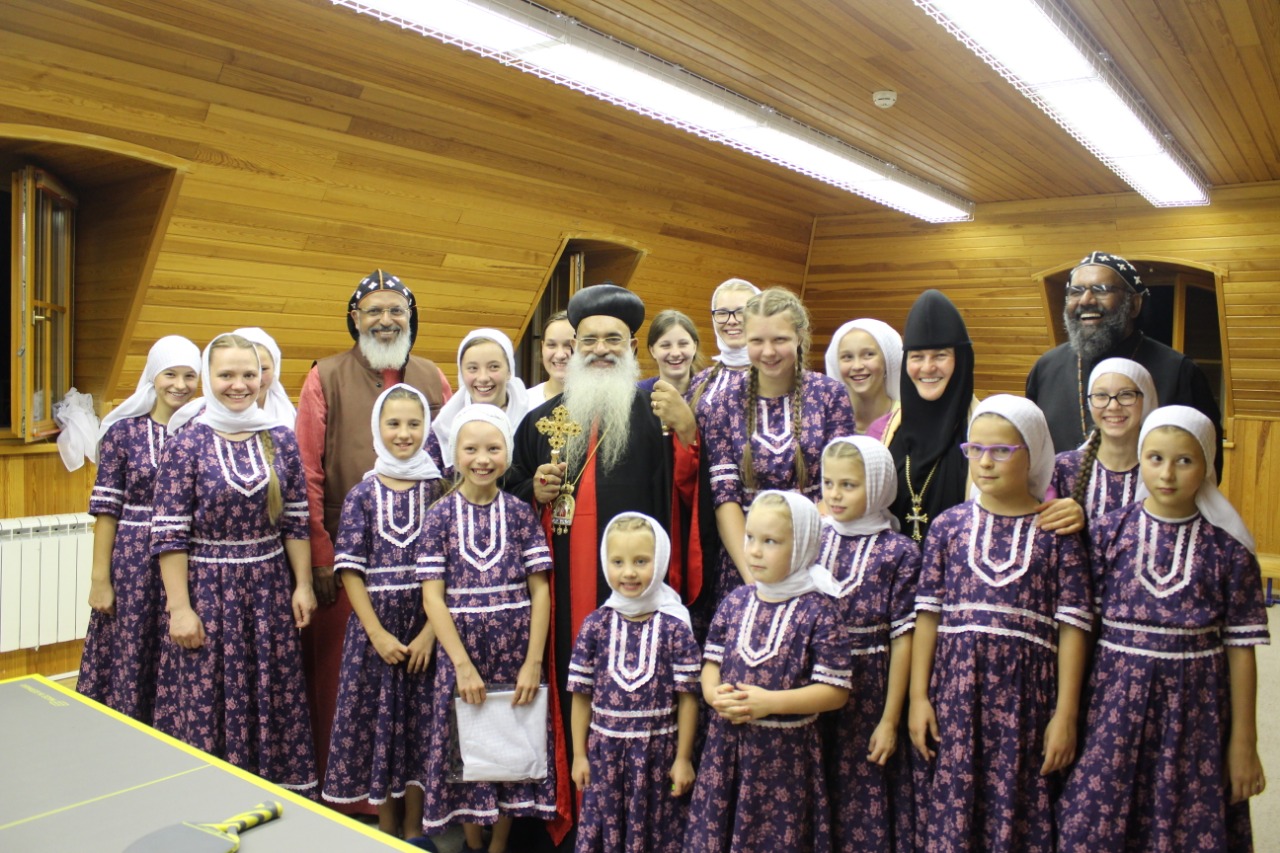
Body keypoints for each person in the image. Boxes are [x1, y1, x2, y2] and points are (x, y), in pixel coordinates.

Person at [509, 283, 700, 847]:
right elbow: (513, 494)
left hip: (636, 598)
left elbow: (691, 496)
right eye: (587, 339)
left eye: (611, 339)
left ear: (631, 345)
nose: (597, 349)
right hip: (565, 597)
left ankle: (638, 818)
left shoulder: (658, 416)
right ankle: (568, 809)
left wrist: (688, 435)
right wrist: (534, 492)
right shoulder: (542, 422)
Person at [1058, 406, 1267, 852]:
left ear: (1207, 464)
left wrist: (1244, 743)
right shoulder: (1108, 534)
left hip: (1196, 715)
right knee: (1091, 821)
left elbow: (1241, 650)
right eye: (1154, 458)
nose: (1167, 473)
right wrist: (1067, 713)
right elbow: (1082, 630)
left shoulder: (1229, 552)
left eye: (1184, 460)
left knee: (1184, 823)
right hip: (1111, 708)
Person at [909, 395, 1092, 852]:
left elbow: (1072, 628)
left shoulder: (1058, 537)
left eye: (1001, 451)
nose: (985, 462)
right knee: (954, 811)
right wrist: (917, 697)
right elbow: (928, 617)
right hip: (955, 697)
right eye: (975, 449)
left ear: (1032, 452)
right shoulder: (948, 527)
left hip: (1026, 705)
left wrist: (1065, 715)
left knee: (1017, 811)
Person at [294, 269, 452, 792]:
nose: (386, 321)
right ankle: (350, 791)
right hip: (351, 566)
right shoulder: (325, 376)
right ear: (354, 319)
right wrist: (321, 553)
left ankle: (413, 793)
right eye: (374, 311)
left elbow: (450, 472)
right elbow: (308, 470)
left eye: (396, 311)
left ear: (411, 319)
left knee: (419, 685)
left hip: (425, 571)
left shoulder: (433, 378)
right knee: (347, 682)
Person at [151, 333, 317, 791]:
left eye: (249, 374)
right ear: (209, 377)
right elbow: (169, 534)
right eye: (226, 375)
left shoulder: (280, 438)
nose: (239, 385)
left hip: (267, 590)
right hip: (207, 592)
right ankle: (208, 798)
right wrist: (179, 608)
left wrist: (302, 585)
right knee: (207, 697)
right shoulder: (186, 443)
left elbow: (297, 521)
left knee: (271, 692)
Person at [419, 404, 557, 851]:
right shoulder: (438, 516)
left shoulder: (520, 515)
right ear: (455, 453)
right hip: (463, 656)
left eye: (493, 448)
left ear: (507, 454)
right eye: (471, 448)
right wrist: (460, 664)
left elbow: (540, 591)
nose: (483, 458)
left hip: (515, 651)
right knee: (466, 749)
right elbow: (432, 596)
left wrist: (533, 662)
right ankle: (473, 845)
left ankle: (499, 847)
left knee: (510, 746)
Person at [684, 490, 851, 853]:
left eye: (770, 541)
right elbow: (710, 665)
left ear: (804, 545)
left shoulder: (819, 611)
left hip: (785, 760)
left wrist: (768, 702)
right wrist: (714, 696)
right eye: (750, 538)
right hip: (727, 752)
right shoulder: (735, 601)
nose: (755, 550)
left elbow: (835, 690)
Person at [321, 385, 443, 838]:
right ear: (378, 428)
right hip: (377, 636)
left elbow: (453, 571)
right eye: (394, 423)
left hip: (430, 631)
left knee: (421, 731)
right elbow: (350, 571)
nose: (404, 433)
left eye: (414, 423)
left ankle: (418, 834)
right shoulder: (362, 495)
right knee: (383, 734)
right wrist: (376, 634)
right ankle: (387, 833)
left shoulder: (442, 488)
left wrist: (432, 632)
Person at [78, 335, 201, 723]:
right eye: (170, 374)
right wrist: (101, 578)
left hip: (188, 558)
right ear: (153, 376)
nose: (180, 385)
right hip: (135, 561)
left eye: (189, 375)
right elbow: (106, 512)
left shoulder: (203, 432)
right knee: (133, 648)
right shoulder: (123, 434)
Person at [703, 287, 855, 596]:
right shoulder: (722, 404)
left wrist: (799, 564)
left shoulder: (830, 396)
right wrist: (753, 577)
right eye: (757, 341)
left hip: (815, 557)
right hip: (746, 563)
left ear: (799, 336)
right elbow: (725, 496)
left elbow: (838, 486)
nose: (769, 351)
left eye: (780, 340)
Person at [568, 512, 702, 853]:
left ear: (659, 562)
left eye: (641, 561)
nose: (629, 572)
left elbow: (688, 698)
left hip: (658, 758)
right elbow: (581, 696)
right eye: (618, 561)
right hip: (605, 759)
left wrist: (683, 758)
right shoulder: (595, 625)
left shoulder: (675, 627)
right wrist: (579, 755)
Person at [812, 437, 920, 853]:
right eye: (828, 483)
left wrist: (891, 719)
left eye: (849, 485)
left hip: (871, 695)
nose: (834, 495)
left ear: (876, 486)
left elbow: (904, 640)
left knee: (866, 794)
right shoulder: (814, 538)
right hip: (815, 689)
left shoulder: (899, 553)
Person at [1025, 250, 1222, 474]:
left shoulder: (1178, 371)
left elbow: (1206, 463)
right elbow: (1031, 453)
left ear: (1134, 305)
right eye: (1075, 292)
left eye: (1101, 290)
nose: (1086, 300)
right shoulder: (1046, 368)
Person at [883, 290, 978, 544]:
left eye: (940, 355)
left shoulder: (986, 429)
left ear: (962, 360)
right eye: (917, 357)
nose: (927, 367)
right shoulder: (884, 430)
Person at [1049, 357, 1157, 523]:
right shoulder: (1063, 468)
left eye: (1126, 394)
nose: (1113, 406)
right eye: (1101, 395)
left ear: (1147, 400)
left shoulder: (1162, 471)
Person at [428, 328, 530, 471]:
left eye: (494, 367)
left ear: (509, 371)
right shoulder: (444, 428)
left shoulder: (532, 421)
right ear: (461, 373)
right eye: (473, 368)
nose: (483, 378)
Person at [823, 318, 902, 441]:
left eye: (869, 354)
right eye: (847, 357)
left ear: (887, 360)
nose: (857, 366)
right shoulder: (827, 422)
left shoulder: (905, 420)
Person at [688, 277, 759, 412]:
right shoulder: (701, 381)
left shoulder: (777, 378)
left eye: (741, 312)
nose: (731, 321)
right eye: (722, 313)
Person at [234, 326, 297, 428]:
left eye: (263, 369)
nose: (256, 379)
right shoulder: (203, 418)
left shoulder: (292, 417)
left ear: (275, 369)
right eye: (247, 372)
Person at [639, 309, 701, 396]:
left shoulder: (711, 395)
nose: (675, 353)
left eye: (683, 344)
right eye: (665, 345)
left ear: (694, 347)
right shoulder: (638, 394)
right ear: (652, 350)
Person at [528, 311, 574, 405]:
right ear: (542, 347)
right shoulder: (524, 403)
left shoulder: (596, 405)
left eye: (568, 345)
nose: (560, 355)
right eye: (552, 345)